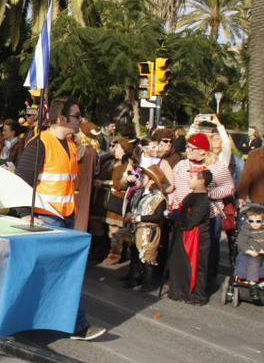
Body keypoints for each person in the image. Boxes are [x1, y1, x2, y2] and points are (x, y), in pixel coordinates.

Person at [15, 95, 105, 341]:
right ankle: (78, 326)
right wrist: (25, 215)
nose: (81, 120)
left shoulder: (71, 143)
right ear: (62, 118)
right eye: (77, 116)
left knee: (49, 274)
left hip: (65, 219)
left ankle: (20, 321)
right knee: (63, 273)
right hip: (46, 220)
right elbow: (22, 182)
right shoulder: (39, 144)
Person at [169, 132, 234, 293]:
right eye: (188, 147)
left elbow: (229, 187)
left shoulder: (217, 166)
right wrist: (172, 201)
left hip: (209, 214)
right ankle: (183, 280)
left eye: (192, 148)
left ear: (203, 151)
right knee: (183, 248)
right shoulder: (182, 165)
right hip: (184, 213)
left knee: (208, 250)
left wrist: (208, 194)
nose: (188, 150)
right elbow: (173, 186)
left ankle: (206, 282)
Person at [167, 168, 212, 304]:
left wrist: (176, 217)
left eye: (192, 177)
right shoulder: (191, 195)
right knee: (180, 263)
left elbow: (191, 220)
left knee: (197, 266)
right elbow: (182, 211)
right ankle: (180, 291)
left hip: (196, 238)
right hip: (184, 234)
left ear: (202, 181)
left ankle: (197, 296)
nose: (188, 180)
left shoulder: (203, 199)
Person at [120, 165, 168, 292]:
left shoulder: (159, 198)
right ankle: (134, 278)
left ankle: (148, 283)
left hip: (149, 231)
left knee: (147, 257)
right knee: (134, 254)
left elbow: (158, 217)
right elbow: (133, 206)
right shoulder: (139, 192)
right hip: (136, 229)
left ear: (152, 181)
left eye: (144, 176)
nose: (140, 177)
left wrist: (140, 218)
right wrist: (129, 215)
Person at [103, 138, 136, 265]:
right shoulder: (114, 162)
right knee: (112, 229)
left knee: (117, 230)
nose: (114, 149)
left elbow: (124, 183)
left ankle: (116, 255)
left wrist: (119, 183)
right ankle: (113, 253)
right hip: (113, 197)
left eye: (117, 147)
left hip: (120, 200)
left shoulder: (127, 163)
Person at [235, 204, 264, 304]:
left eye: (258, 221)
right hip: (251, 253)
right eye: (251, 221)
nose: (255, 224)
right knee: (254, 262)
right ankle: (253, 285)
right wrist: (249, 251)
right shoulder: (246, 231)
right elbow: (241, 242)